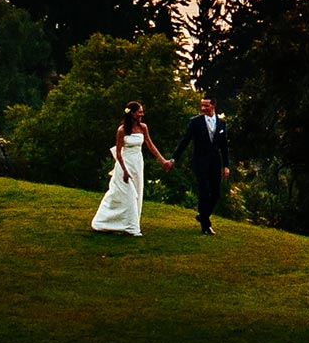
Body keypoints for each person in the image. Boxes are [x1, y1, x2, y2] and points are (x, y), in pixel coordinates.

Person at [90, 101, 173, 237]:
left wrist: (162, 160)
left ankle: (128, 223)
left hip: (137, 164)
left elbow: (150, 145)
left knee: (137, 194)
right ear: (132, 113)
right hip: (125, 164)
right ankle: (130, 227)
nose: (142, 114)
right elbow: (118, 153)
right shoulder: (122, 130)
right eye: (139, 112)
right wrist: (124, 170)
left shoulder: (143, 127)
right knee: (128, 194)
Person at [169, 95, 232, 236]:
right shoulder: (195, 122)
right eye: (202, 105)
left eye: (206, 106)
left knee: (216, 193)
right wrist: (174, 159)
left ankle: (203, 215)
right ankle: (205, 226)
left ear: (213, 106)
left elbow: (224, 146)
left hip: (215, 162)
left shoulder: (222, 124)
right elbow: (184, 141)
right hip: (200, 161)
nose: (203, 108)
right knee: (204, 192)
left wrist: (226, 165)